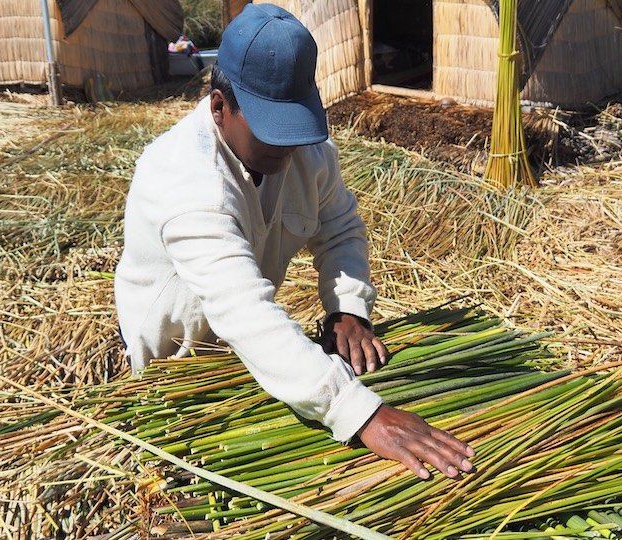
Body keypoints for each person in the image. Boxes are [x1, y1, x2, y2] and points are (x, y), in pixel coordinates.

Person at [115, 3, 474, 480]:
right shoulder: (183, 181)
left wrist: (347, 308)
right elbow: (246, 311)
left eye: (295, 128)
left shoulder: (305, 151)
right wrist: (361, 412)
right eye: (271, 131)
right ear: (219, 107)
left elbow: (340, 227)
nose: (286, 149)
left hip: (255, 357)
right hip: (178, 368)